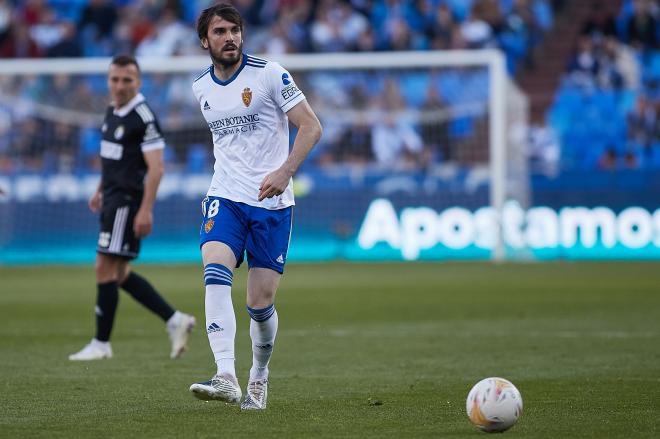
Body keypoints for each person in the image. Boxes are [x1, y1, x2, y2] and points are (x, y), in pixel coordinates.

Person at [188, 3, 322, 410]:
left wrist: (285, 171)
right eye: (220, 32)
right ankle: (225, 374)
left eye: (234, 30)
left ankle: (258, 377)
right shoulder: (201, 88)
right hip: (225, 197)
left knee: (259, 305)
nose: (229, 37)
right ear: (204, 41)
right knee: (214, 268)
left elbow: (312, 126)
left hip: (272, 202)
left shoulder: (269, 73)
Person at [69, 55, 196, 362]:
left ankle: (101, 343)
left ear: (138, 82)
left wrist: (145, 210)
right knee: (120, 272)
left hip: (127, 202)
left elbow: (157, 169)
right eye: (115, 79)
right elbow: (110, 157)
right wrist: (100, 189)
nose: (120, 85)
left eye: (127, 80)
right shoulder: (112, 109)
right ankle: (174, 319)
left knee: (104, 267)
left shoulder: (144, 117)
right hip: (111, 197)